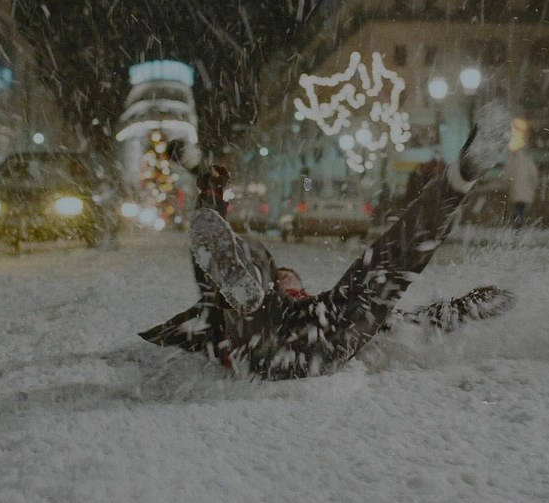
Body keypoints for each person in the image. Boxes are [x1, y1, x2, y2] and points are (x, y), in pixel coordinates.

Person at [141, 101, 515, 380]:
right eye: (280, 274)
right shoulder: (222, 311)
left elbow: (409, 319)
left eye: (287, 274)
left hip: (314, 345)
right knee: (246, 260)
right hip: (259, 341)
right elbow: (210, 255)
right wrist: (208, 187)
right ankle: (248, 279)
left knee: (378, 271)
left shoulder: (319, 308)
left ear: (300, 286)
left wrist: (465, 307)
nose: (285, 275)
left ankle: (459, 178)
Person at [503, 144, 538, 229]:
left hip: (515, 190)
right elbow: (534, 175)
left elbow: (507, 176)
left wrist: (508, 186)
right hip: (526, 191)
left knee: (517, 207)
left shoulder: (512, 162)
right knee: (522, 208)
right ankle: (520, 224)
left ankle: (517, 224)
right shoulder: (528, 161)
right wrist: (534, 186)